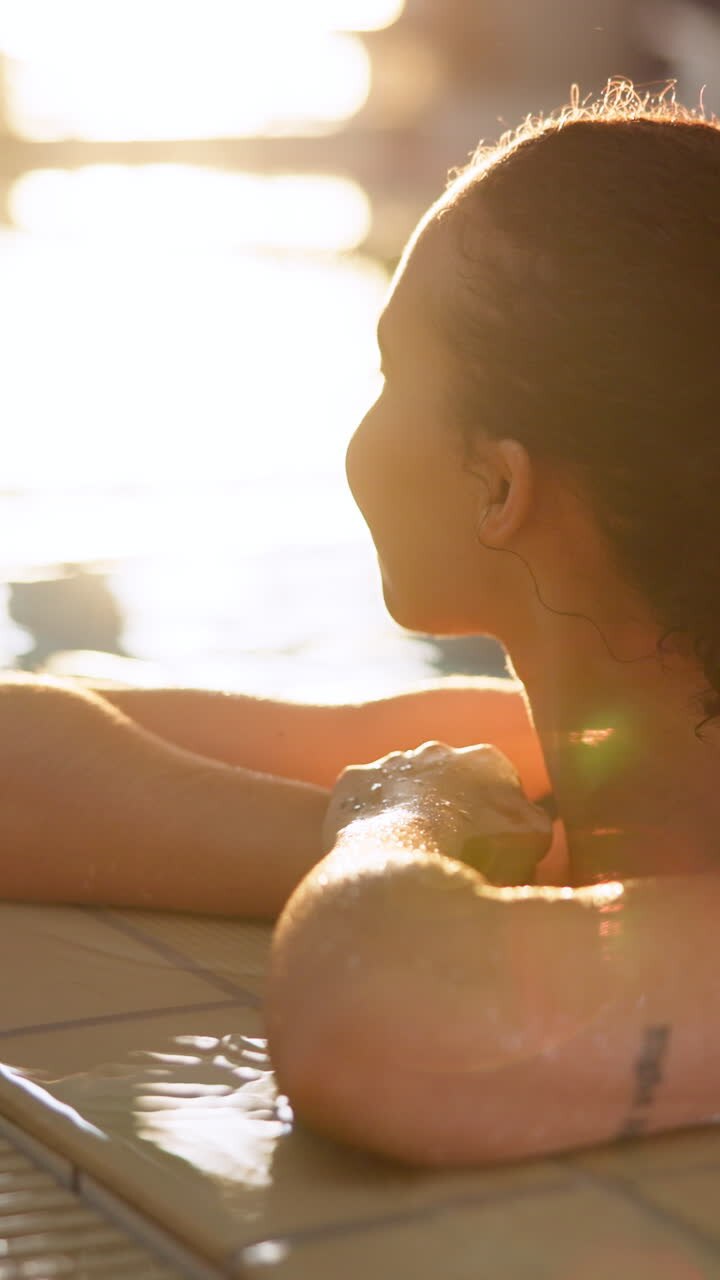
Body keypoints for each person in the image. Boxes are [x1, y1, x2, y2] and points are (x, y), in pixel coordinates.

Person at [2, 80, 720, 1167]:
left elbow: (380, 1020)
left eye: (390, 371)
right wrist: (365, 822)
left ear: (496, 484)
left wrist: (403, 821)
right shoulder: (550, 759)